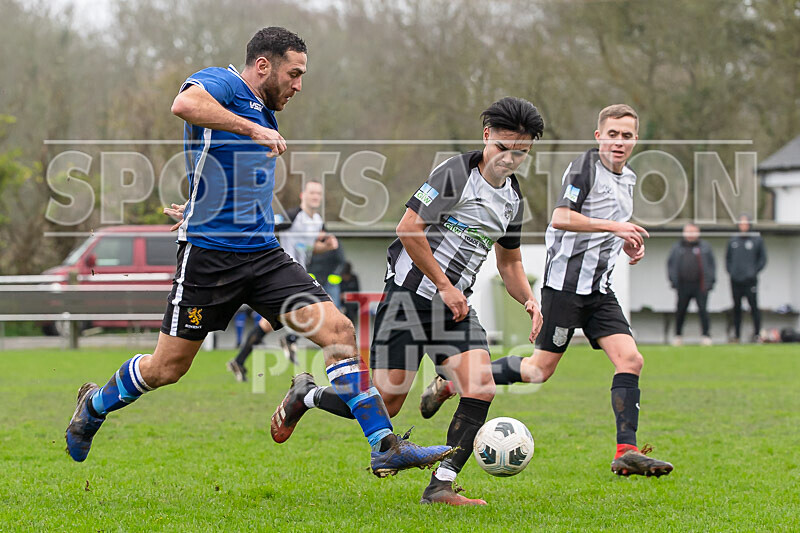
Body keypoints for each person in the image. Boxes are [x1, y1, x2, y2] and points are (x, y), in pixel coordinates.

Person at [65, 27, 452, 478]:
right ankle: (93, 405)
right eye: (294, 73)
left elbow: (226, 174)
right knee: (167, 368)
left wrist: (201, 201)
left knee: (339, 331)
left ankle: (383, 446)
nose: (299, 85)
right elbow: (185, 105)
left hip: (265, 257)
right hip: (209, 260)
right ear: (263, 65)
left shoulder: (266, 116)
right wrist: (248, 128)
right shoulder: (224, 84)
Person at [270, 97, 545, 504]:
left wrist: (529, 300)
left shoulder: (513, 199)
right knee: (388, 402)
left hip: (455, 308)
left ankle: (440, 485)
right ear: (487, 136)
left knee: (481, 386)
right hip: (409, 299)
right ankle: (305, 396)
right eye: (504, 147)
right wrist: (445, 284)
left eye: (520, 152)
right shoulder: (455, 174)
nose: (510, 158)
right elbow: (408, 229)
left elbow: (509, 262)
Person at [419, 104, 674, 478]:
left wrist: (626, 242)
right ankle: (455, 380)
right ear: (599, 136)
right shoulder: (586, 168)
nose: (620, 142)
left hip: (599, 291)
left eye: (628, 135)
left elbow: (606, 228)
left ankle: (626, 451)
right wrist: (617, 228)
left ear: (636, 139)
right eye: (613, 134)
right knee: (538, 371)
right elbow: (562, 217)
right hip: (565, 289)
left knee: (631, 360)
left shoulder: (629, 178)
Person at [226, 180, 339, 381]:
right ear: (303, 195)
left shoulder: (318, 221)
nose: (315, 197)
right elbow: (266, 223)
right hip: (283, 273)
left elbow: (311, 247)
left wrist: (328, 246)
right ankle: (290, 339)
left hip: (298, 273)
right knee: (323, 303)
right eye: (312, 193)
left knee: (270, 322)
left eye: (318, 194)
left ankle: (240, 361)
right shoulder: (292, 216)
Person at [668, 223, 716, 346]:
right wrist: (673, 281)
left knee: (703, 311)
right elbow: (671, 265)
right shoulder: (677, 247)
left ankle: (706, 336)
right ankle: (678, 335)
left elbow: (711, 266)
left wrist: (710, 282)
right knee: (680, 311)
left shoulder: (704, 247)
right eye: (688, 231)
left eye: (693, 231)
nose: (690, 234)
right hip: (683, 286)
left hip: (700, 286)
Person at [726, 215, 767, 343]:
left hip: (750, 281)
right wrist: (732, 272)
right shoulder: (733, 241)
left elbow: (763, 259)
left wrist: (753, 272)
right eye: (741, 223)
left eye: (745, 223)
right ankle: (737, 335)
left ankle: (757, 334)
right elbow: (728, 259)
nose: (743, 226)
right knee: (737, 308)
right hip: (735, 281)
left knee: (753, 307)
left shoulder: (757, 240)